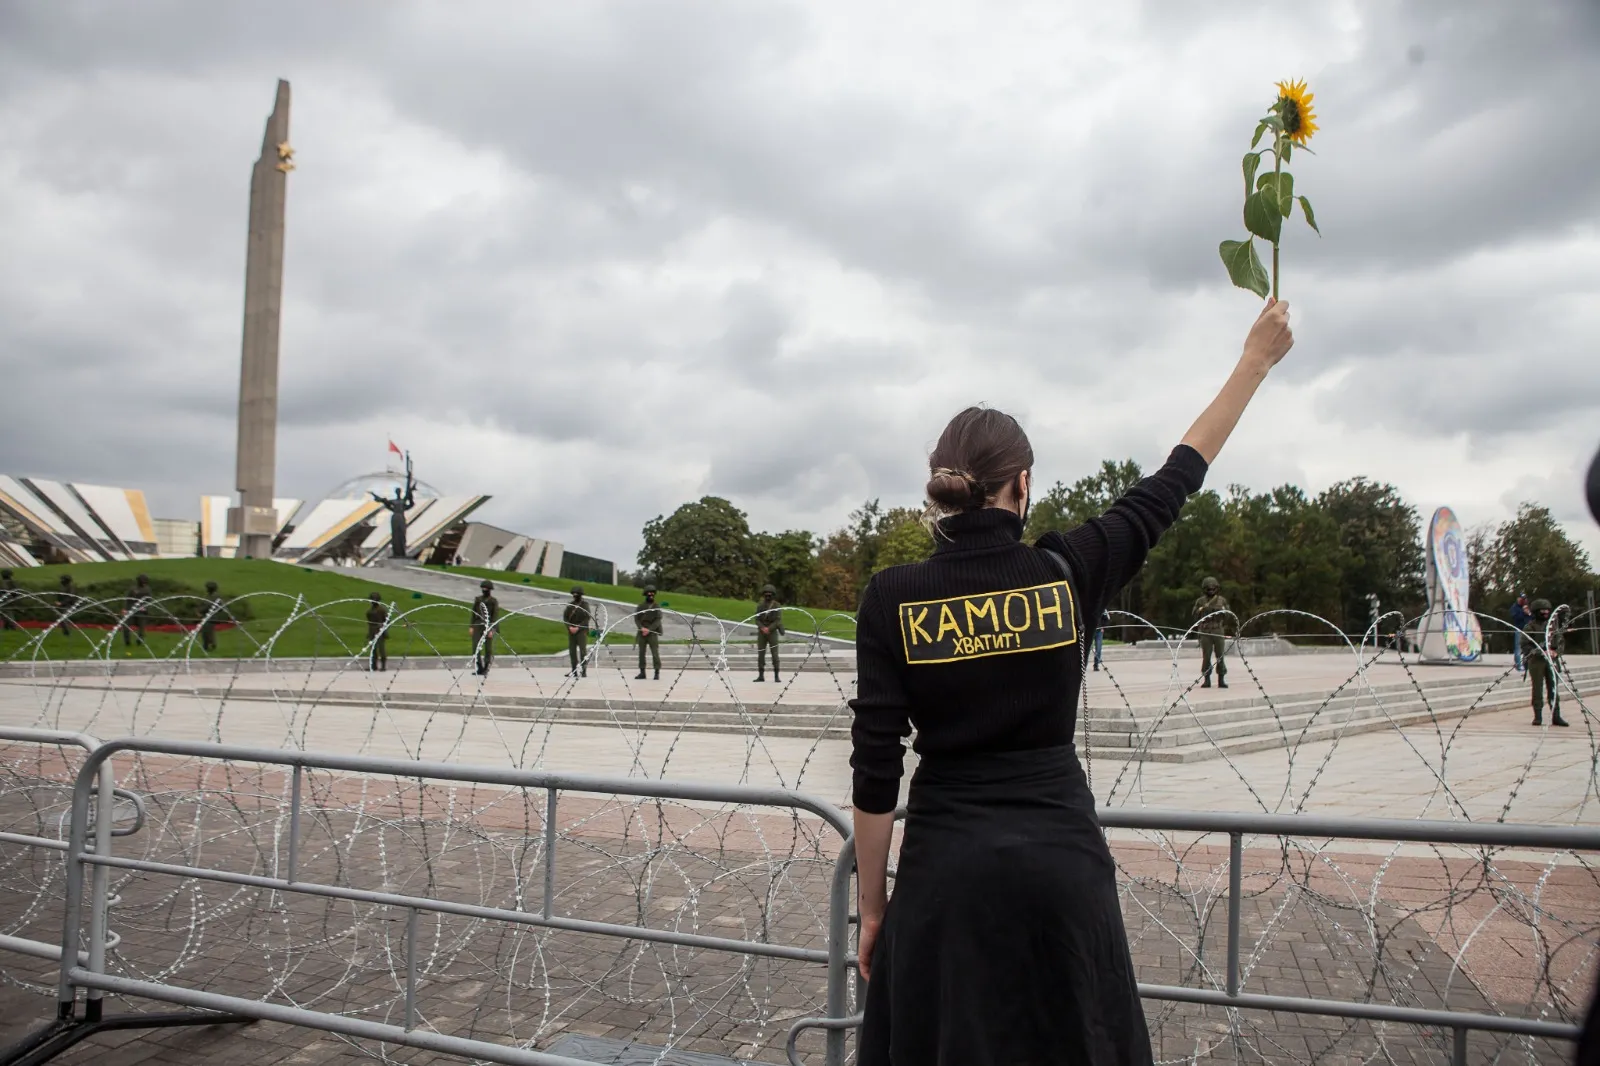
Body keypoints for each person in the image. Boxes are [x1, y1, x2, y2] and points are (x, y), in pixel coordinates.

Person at [849, 298, 1294, 1064]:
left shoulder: (892, 597)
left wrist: (874, 910)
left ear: (942, 489)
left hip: (944, 882)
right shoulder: (1066, 570)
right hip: (1061, 876)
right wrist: (1253, 361)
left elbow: (875, 769)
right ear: (1022, 485)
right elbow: (1174, 481)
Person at [1524, 598, 1570, 727]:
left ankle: (1556, 716)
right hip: (1537, 662)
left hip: (1552, 661)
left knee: (1553, 688)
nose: (1545, 613)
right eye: (1542, 610)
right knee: (1537, 689)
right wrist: (1540, 652)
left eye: (1547, 610)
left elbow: (1560, 641)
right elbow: (1525, 645)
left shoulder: (1553, 626)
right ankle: (1537, 716)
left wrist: (1556, 652)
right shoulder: (1530, 627)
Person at [1192, 576, 1230, 688]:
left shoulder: (1222, 600)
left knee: (1220, 655)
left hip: (1218, 630)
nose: (1211, 590)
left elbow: (1228, 614)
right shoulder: (1200, 601)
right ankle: (1207, 678)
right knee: (1206, 656)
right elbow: (1194, 615)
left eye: (1213, 588)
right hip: (1205, 631)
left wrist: (1220, 611)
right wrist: (1203, 610)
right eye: (1208, 588)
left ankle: (1221, 678)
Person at [753, 584, 784, 682]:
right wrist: (762, 627)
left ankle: (776, 675)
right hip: (762, 632)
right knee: (761, 654)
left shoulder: (776, 606)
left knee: (775, 654)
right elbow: (757, 619)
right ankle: (761, 675)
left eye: (769, 594)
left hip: (772, 632)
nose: (767, 596)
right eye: (766, 594)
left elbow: (778, 620)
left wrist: (769, 628)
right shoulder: (760, 606)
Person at [470, 580, 499, 677]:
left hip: (488, 625)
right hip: (478, 624)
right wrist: (471, 626)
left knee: (488, 648)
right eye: (483, 588)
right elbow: (473, 613)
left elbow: (495, 615)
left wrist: (492, 629)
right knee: (475, 646)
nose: (484, 590)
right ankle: (479, 667)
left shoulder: (493, 601)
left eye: (486, 588)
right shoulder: (478, 599)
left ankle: (486, 667)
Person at [635, 585, 663, 680]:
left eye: (652, 593)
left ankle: (657, 672)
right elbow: (636, 619)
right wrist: (641, 628)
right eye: (649, 593)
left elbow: (658, 620)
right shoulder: (640, 606)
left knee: (655, 653)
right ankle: (642, 672)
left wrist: (649, 629)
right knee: (641, 653)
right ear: (645, 594)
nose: (651, 595)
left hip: (652, 632)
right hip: (642, 632)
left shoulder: (656, 607)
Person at [564, 586, 590, 678]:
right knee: (572, 651)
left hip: (581, 631)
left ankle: (584, 671)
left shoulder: (585, 605)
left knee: (583, 651)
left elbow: (587, 618)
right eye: (573, 594)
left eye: (576, 594)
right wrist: (569, 627)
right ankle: (574, 670)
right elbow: (565, 618)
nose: (575, 595)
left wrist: (578, 627)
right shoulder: (570, 605)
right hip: (571, 631)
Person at [123, 573, 151, 647]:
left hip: (142, 611)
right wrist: (125, 609)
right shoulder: (133, 589)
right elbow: (128, 599)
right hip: (131, 610)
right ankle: (127, 641)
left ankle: (140, 641)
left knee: (141, 627)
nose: (144, 583)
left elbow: (149, 600)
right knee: (126, 626)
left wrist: (145, 608)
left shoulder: (147, 589)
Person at [366, 592, 390, 672]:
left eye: (374, 599)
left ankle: (383, 666)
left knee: (381, 648)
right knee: (373, 649)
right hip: (372, 630)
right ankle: (373, 665)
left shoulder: (381, 609)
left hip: (379, 630)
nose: (373, 601)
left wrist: (382, 627)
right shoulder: (371, 610)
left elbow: (387, 620)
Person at [1509, 593, 1531, 673]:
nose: (1523, 600)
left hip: (1527, 629)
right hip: (1519, 629)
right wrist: (1523, 612)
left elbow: (1531, 617)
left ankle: (1526, 664)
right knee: (1518, 648)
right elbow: (1515, 617)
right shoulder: (1515, 608)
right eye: (1522, 599)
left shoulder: (1527, 607)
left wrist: (1529, 613)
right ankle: (1518, 665)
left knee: (1527, 647)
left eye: (1524, 599)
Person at [200, 580, 222, 652]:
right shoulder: (208, 595)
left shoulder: (215, 597)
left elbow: (208, 605)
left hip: (211, 617)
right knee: (205, 631)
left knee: (207, 631)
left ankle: (210, 644)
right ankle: (207, 644)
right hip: (206, 616)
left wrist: (201, 610)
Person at [56, 574, 76, 638]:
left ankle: (67, 633)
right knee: (62, 619)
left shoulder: (70, 588)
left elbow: (70, 598)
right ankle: (65, 633)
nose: (61, 581)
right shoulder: (64, 587)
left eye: (62, 580)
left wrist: (61, 603)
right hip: (63, 605)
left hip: (67, 606)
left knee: (64, 619)